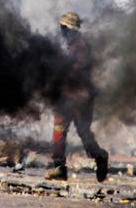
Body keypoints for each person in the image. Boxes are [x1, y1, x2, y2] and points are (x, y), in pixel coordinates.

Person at [45, 12, 109, 182]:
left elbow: (76, 72)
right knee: (58, 133)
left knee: (84, 133)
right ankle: (59, 168)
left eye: (65, 28)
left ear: (72, 30)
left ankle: (100, 158)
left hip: (80, 98)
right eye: (62, 28)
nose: (63, 32)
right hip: (65, 97)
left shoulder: (80, 47)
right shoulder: (69, 47)